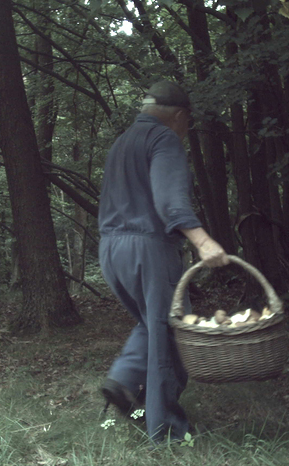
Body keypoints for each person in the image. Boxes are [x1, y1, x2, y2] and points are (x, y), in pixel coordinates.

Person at [98, 80, 229, 444]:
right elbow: (170, 200)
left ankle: (124, 382)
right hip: (148, 249)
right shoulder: (164, 139)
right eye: (188, 125)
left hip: (111, 250)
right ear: (180, 116)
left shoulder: (121, 143)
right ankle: (166, 430)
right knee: (171, 333)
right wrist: (203, 241)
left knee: (152, 322)